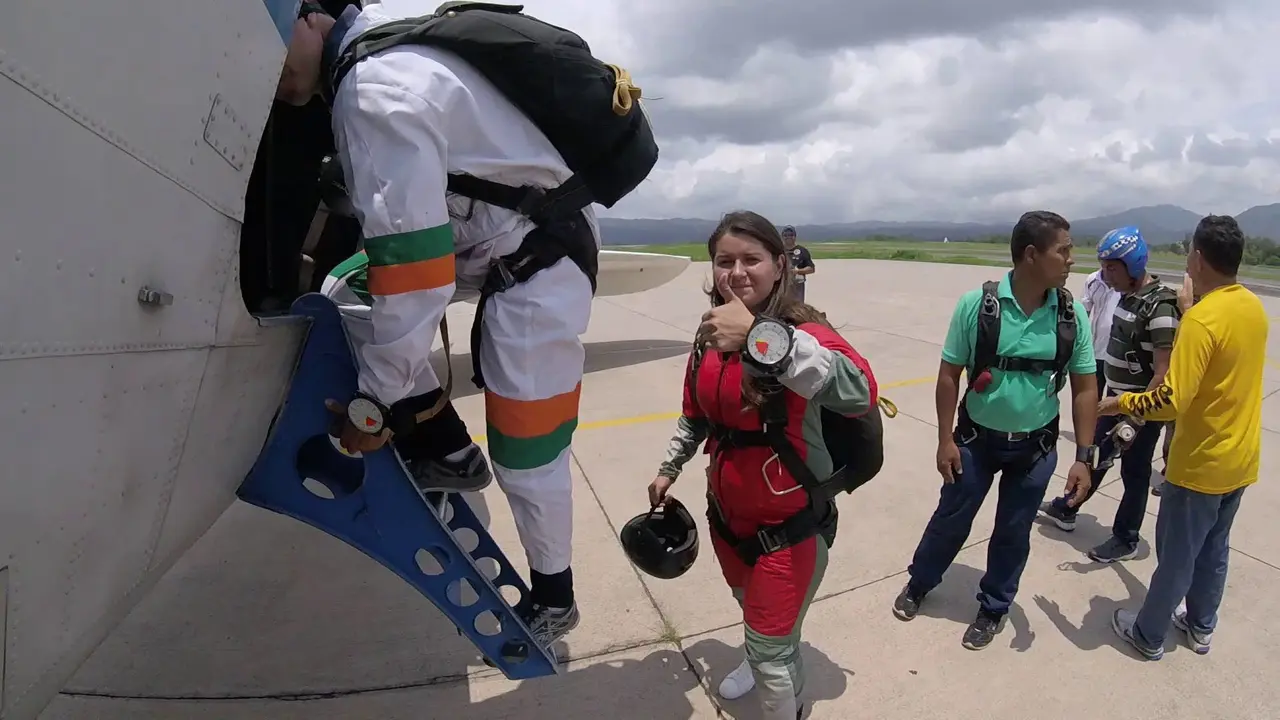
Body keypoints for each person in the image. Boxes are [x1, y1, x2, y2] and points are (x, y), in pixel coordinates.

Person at [274, 0, 656, 648]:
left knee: (528, 454)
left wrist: (377, 404)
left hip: (540, 264)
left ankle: (555, 596)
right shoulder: (386, 51)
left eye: (278, 41)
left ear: (312, 18)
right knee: (354, 297)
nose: (272, 75)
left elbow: (417, 271)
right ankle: (445, 445)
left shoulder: (369, 90)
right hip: (507, 241)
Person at [648, 211, 879, 720]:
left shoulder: (805, 333)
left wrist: (759, 336)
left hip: (789, 528)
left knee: (776, 653)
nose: (737, 272)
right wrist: (671, 467)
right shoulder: (710, 334)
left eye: (751, 259)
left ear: (780, 265)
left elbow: (859, 392)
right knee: (752, 612)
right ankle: (758, 654)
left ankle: (780, 693)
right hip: (728, 521)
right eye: (724, 261)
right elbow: (696, 413)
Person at [893, 210, 1098, 651]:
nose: (1071, 260)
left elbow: (1085, 387)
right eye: (1063, 250)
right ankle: (920, 582)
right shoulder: (977, 306)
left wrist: (1084, 455)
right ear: (1031, 255)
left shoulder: (1072, 314)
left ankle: (993, 607)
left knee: (1013, 531)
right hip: (974, 443)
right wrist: (944, 438)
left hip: (1036, 448)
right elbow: (949, 376)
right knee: (951, 518)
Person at [1104, 214, 1267, 661]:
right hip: (1241, 458)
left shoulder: (1201, 321)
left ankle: (1149, 634)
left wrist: (1121, 403)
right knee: (1215, 550)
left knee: (1176, 556)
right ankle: (1200, 627)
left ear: (1196, 258)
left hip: (1200, 465)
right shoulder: (1252, 307)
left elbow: (1171, 401)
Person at [1038, 226, 1181, 562]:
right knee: (1097, 456)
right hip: (1114, 399)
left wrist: (1136, 418)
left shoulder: (1160, 308)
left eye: (1112, 268)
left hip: (1138, 409)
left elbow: (1163, 373)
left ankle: (1126, 538)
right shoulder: (1129, 296)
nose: (1105, 274)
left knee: (1134, 471)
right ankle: (1069, 507)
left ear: (1133, 265)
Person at [1082, 266, 1121, 392]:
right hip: (1096, 352)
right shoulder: (1093, 280)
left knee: (1115, 401)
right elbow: (1083, 314)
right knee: (1093, 396)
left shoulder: (1126, 281)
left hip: (1118, 354)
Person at [782, 225, 815, 303]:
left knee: (797, 308)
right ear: (782, 237)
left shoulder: (802, 251)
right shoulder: (778, 250)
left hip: (797, 285)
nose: (788, 237)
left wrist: (797, 271)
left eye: (791, 235)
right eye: (786, 235)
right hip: (782, 285)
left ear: (795, 236)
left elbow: (811, 269)